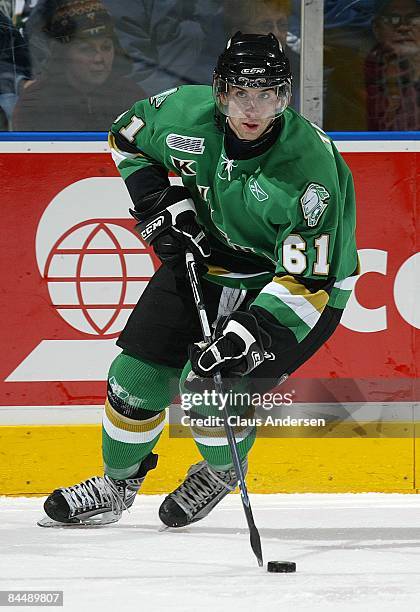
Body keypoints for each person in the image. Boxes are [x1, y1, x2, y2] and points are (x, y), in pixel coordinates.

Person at [39, 32, 358, 528]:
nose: (253, 109)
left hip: (297, 287)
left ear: (285, 96)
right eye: (240, 94)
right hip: (209, 261)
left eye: (267, 94)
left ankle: (223, 470)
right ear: (219, 91)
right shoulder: (182, 116)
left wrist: (246, 334)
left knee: (209, 391)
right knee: (135, 378)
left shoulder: (309, 170)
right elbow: (124, 134)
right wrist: (157, 203)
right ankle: (118, 484)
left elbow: (308, 283)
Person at [13, 0, 145, 130]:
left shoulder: (133, 97)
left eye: (106, 47)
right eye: (86, 49)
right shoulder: (34, 105)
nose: (99, 58)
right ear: (62, 54)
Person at [365, 0, 420, 130]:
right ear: (377, 28)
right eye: (392, 19)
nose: (403, 27)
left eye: (414, 19)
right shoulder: (351, 75)